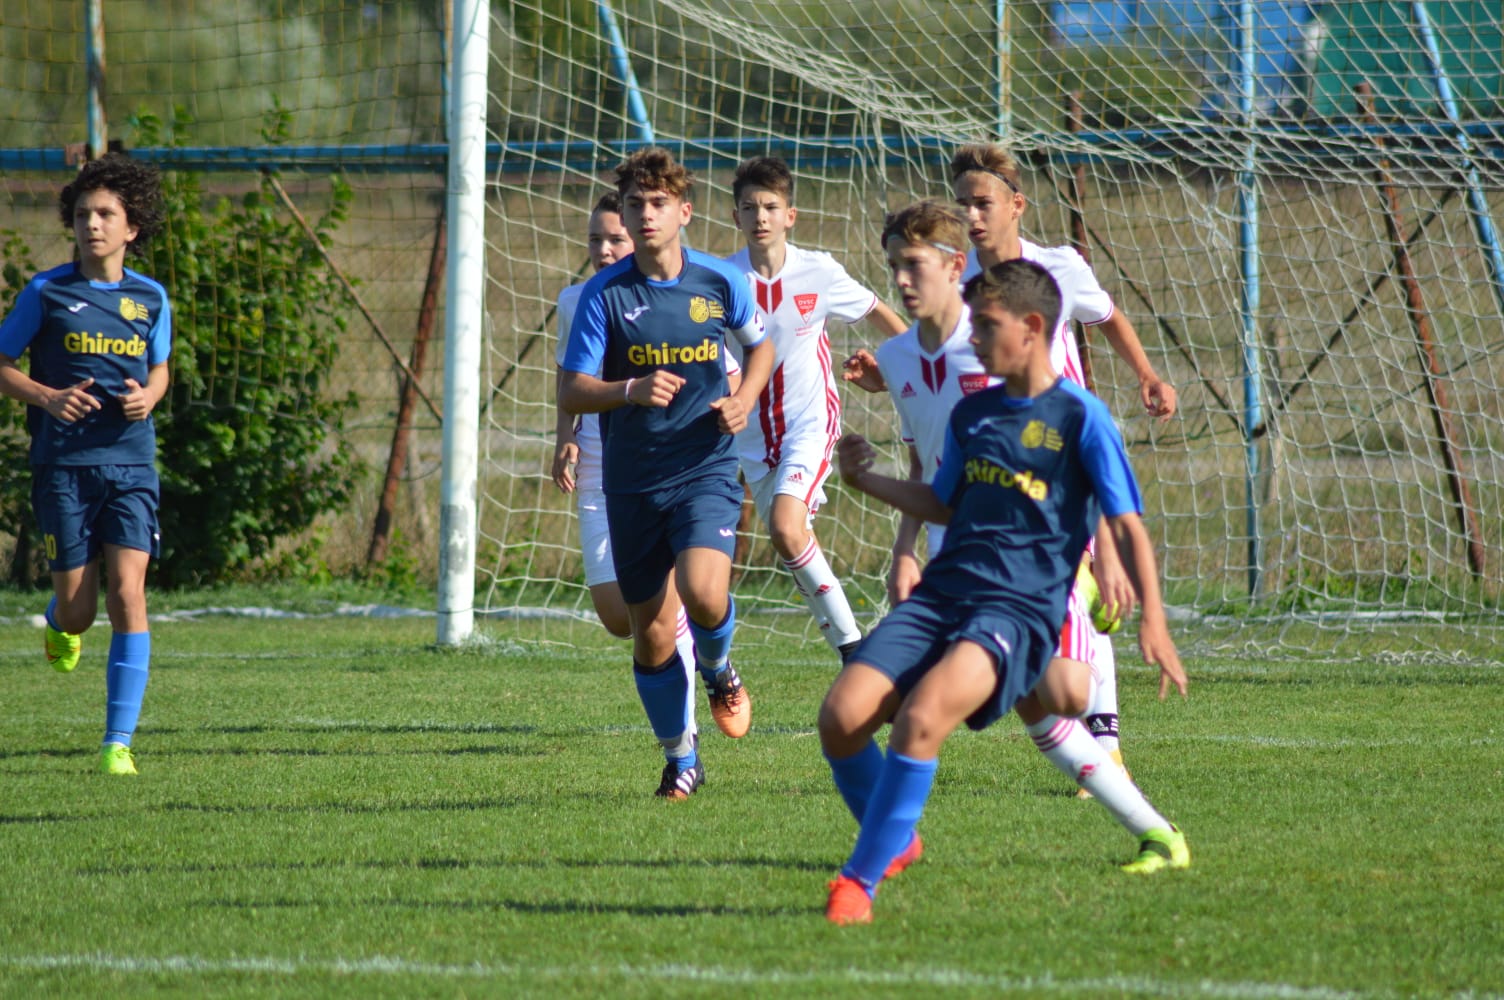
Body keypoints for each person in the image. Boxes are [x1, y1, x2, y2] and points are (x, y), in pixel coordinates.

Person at [820, 259, 1189, 926]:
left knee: (924, 718)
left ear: (1033, 327)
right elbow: (942, 501)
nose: (976, 339)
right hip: (946, 590)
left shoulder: (1081, 416)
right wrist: (865, 481)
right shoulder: (975, 413)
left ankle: (859, 880)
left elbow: (1128, 525)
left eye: (987, 326)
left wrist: (1153, 623)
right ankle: (895, 836)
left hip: (1018, 608)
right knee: (841, 718)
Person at [559, 147, 774, 799]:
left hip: (705, 466)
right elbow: (572, 390)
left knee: (705, 594)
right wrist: (629, 390)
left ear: (685, 212)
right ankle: (682, 757)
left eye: (658, 203)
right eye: (635, 204)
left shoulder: (718, 282)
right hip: (631, 480)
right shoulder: (602, 295)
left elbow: (761, 345)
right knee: (650, 635)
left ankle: (718, 666)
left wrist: (743, 398)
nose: (646, 214)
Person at [0, 152, 171, 776]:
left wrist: (150, 396)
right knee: (81, 611)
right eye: (81, 215)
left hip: (131, 464)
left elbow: (160, 366)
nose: (91, 224)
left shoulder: (150, 297)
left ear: (131, 228)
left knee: (129, 593)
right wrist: (47, 397)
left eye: (104, 214)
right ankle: (59, 620)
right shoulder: (46, 292)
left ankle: (116, 744)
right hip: (65, 466)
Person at [550, 191, 708, 793]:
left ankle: (685, 748)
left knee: (660, 620)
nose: (604, 249)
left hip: (664, 465)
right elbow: (568, 381)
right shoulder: (577, 300)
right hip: (599, 468)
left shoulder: (681, 296)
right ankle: (690, 630)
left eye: (614, 238)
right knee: (620, 619)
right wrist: (565, 437)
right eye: (595, 239)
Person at [724, 156, 906, 662]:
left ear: (790, 216)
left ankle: (854, 652)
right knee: (792, 540)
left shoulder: (818, 272)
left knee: (786, 528)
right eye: (749, 208)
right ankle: (856, 652)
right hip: (751, 438)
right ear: (735, 216)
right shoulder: (724, 280)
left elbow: (878, 313)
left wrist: (918, 363)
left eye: (770, 207)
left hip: (810, 421)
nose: (760, 217)